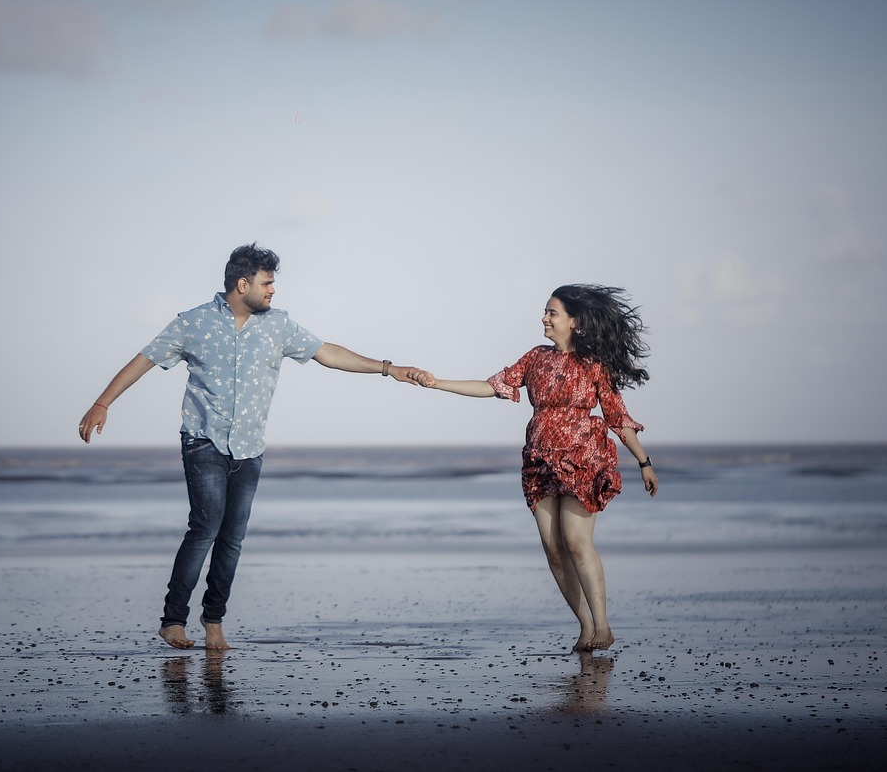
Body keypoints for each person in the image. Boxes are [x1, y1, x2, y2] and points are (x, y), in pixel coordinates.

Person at [78, 243, 428, 651]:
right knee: (205, 527)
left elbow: (327, 353)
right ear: (242, 284)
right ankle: (173, 620)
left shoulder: (278, 325)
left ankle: (213, 623)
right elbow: (144, 359)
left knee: (233, 538)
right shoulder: (193, 323)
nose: (273, 291)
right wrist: (103, 402)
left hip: (249, 449)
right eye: (267, 283)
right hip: (203, 440)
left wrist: (389, 369)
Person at [411, 284, 658, 652]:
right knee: (553, 547)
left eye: (552, 312)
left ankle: (603, 627)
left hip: (583, 459)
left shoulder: (594, 365)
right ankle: (586, 626)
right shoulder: (536, 358)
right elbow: (492, 386)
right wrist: (438, 383)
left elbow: (617, 417)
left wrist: (644, 462)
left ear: (573, 321)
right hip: (540, 459)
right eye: (545, 312)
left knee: (576, 542)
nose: (544, 318)